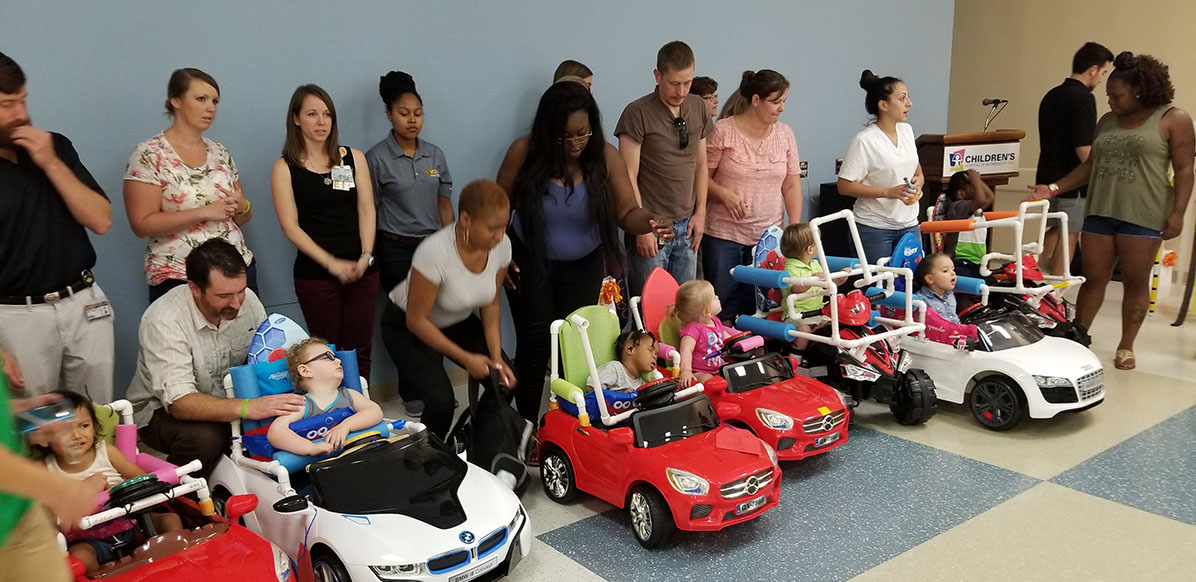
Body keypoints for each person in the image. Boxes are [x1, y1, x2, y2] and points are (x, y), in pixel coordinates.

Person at [497, 80, 669, 423]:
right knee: (534, 348)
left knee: (575, 349)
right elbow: (497, 210)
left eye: (583, 134)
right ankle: (529, 426)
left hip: (584, 265)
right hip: (531, 264)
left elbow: (626, 213)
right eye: (566, 137)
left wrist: (648, 220)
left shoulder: (605, 155)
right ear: (548, 132)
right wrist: (501, 253)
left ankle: (573, 423)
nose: (576, 143)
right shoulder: (524, 152)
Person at [1027, 52, 1193, 370]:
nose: (1110, 102)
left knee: (1135, 281)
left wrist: (1178, 213)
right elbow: (1090, 166)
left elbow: (1185, 171)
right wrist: (1053, 188)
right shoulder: (1107, 121)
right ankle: (1079, 336)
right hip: (1101, 209)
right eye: (1108, 96)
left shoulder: (1174, 119)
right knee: (1093, 278)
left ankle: (1126, 346)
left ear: (1139, 91)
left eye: (1116, 96)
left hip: (1144, 214)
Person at [126, 239, 299, 479]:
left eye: (240, 291)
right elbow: (180, 403)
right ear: (195, 288)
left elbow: (263, 361)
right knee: (206, 438)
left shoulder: (248, 300)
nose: (237, 303)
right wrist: (248, 408)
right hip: (159, 412)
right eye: (224, 296)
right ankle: (177, 501)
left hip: (230, 400)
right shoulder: (163, 321)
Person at [0, 52, 115, 402]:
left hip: (83, 300)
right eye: (7, 104)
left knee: (98, 414)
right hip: (16, 315)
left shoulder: (56, 147)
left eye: (23, 101)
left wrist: (50, 163)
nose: (21, 114)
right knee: (36, 425)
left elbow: (101, 219)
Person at [380, 180, 518, 439]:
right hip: (407, 325)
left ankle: (472, 443)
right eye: (491, 229)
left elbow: (491, 303)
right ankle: (425, 461)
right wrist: (467, 360)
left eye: (503, 227)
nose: (499, 236)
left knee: (504, 382)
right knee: (441, 401)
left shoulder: (502, 246)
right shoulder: (434, 251)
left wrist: (496, 358)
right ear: (465, 219)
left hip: (454, 319)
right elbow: (417, 321)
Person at [271, 85, 379, 380]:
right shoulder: (285, 168)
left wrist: (366, 255)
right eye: (312, 114)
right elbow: (289, 226)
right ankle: (334, 413)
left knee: (359, 348)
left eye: (327, 114)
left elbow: (367, 209)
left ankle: (363, 409)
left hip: (361, 270)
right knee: (324, 353)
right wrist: (331, 263)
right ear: (296, 119)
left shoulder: (352, 158)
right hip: (316, 275)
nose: (321, 122)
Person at [124, 68, 255, 303]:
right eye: (201, 99)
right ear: (175, 100)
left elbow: (242, 216)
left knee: (244, 339)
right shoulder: (149, 154)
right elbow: (142, 224)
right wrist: (204, 212)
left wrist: (243, 206)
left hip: (235, 270)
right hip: (180, 276)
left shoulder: (220, 152)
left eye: (215, 101)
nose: (210, 108)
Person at [367, 72, 453, 415]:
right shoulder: (376, 158)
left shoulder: (435, 156)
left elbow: (444, 203)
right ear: (389, 115)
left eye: (418, 112)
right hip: (395, 249)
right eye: (404, 113)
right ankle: (412, 390)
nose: (412, 119)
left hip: (432, 247)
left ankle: (435, 389)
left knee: (434, 316)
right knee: (407, 320)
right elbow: (370, 210)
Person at [33, 390, 184, 575]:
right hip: (87, 541)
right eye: (65, 429)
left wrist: (120, 491)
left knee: (171, 520)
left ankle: (174, 566)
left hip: (131, 524)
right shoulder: (44, 469)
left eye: (84, 425)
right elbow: (44, 515)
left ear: (94, 427)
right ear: (44, 439)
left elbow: (141, 479)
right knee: (79, 559)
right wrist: (84, 490)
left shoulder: (106, 452)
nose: (76, 435)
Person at [616, 40, 713, 295]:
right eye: (674, 83)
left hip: (688, 224)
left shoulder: (698, 107)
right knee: (651, 308)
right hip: (653, 226)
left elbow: (701, 163)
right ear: (658, 76)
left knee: (686, 307)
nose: (681, 91)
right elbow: (628, 176)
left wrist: (701, 213)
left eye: (687, 83)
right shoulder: (637, 113)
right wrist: (641, 227)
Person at [704, 70, 803, 319]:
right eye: (775, 101)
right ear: (756, 100)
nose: (781, 108)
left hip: (768, 235)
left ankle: (755, 347)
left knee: (762, 302)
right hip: (723, 234)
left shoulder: (785, 134)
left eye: (784, 102)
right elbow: (699, 179)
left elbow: (791, 184)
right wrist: (725, 195)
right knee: (722, 299)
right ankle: (722, 350)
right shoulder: (723, 131)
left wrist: (796, 225)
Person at [0, 376, 103, 582]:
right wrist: (57, 488)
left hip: (18, 512)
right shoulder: (46, 468)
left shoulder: (104, 452)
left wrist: (14, 413)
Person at [1036, 42, 1115, 276]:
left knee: (1049, 230)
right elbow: (1084, 149)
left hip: (1046, 177)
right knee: (1069, 232)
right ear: (1092, 69)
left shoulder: (1051, 95)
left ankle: (1033, 280)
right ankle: (1058, 291)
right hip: (1073, 182)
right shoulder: (1083, 99)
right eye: (1103, 73)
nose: (1101, 80)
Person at [837, 69, 925, 264]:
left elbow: (914, 165)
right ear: (883, 105)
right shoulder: (864, 141)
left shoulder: (906, 130)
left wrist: (919, 180)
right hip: (874, 227)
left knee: (911, 282)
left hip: (910, 223)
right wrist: (888, 192)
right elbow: (844, 186)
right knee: (880, 286)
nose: (909, 104)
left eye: (908, 98)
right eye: (902, 99)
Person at [266, 338, 383, 456]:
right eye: (328, 357)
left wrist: (346, 426)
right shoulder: (302, 404)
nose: (338, 360)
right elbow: (276, 431)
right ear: (305, 370)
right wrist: (309, 447)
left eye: (336, 357)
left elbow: (375, 411)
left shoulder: (349, 395)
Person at [671, 280, 738, 387]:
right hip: (700, 371)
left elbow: (728, 339)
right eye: (713, 298)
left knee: (739, 372)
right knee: (710, 382)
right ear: (706, 311)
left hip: (721, 366)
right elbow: (686, 350)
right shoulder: (693, 329)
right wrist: (686, 371)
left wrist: (741, 345)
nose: (717, 297)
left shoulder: (716, 321)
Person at [942, 169, 995, 279]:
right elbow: (980, 199)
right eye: (973, 187)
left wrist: (978, 180)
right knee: (969, 287)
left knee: (993, 284)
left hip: (977, 262)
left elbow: (990, 198)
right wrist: (975, 180)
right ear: (961, 194)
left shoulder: (976, 209)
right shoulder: (957, 207)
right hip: (959, 261)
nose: (977, 189)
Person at [780, 223, 824, 350]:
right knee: (803, 331)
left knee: (837, 325)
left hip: (818, 312)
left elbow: (828, 285)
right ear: (810, 249)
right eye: (818, 242)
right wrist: (812, 280)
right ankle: (796, 358)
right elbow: (795, 289)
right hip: (797, 316)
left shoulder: (814, 264)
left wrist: (841, 278)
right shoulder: (790, 268)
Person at [585, 330, 658, 394]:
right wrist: (621, 395)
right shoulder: (615, 369)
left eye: (656, 354)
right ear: (630, 349)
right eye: (650, 350)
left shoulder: (642, 383)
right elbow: (591, 387)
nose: (655, 357)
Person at [914, 252, 960, 324]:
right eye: (945, 271)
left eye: (953, 269)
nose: (953, 273)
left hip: (957, 331)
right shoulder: (921, 300)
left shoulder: (949, 294)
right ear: (930, 278)